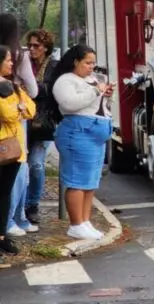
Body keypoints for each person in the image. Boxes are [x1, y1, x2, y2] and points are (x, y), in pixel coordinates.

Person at [50, 44, 113, 241]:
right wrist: (96, 92)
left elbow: (96, 106)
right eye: (87, 62)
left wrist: (105, 95)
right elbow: (70, 103)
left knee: (89, 181)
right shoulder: (65, 80)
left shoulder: (92, 79)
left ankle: (85, 221)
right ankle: (76, 223)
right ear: (75, 62)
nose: (91, 67)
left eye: (93, 63)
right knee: (77, 180)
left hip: (95, 133)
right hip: (78, 132)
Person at [0, 15, 38, 239]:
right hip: (10, 135)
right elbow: (31, 93)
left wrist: (24, 108)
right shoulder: (19, 55)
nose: (11, 63)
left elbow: (31, 106)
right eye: (7, 61)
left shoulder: (11, 82)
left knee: (8, 184)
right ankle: (13, 220)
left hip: (12, 133)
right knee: (15, 177)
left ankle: (6, 229)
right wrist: (20, 108)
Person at [23, 29, 58, 224]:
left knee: (36, 164)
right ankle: (20, 205)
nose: (32, 49)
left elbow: (52, 89)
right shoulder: (24, 63)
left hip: (41, 121)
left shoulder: (53, 65)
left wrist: (32, 88)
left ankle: (33, 204)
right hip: (23, 120)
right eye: (30, 45)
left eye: (36, 45)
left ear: (46, 47)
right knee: (20, 165)